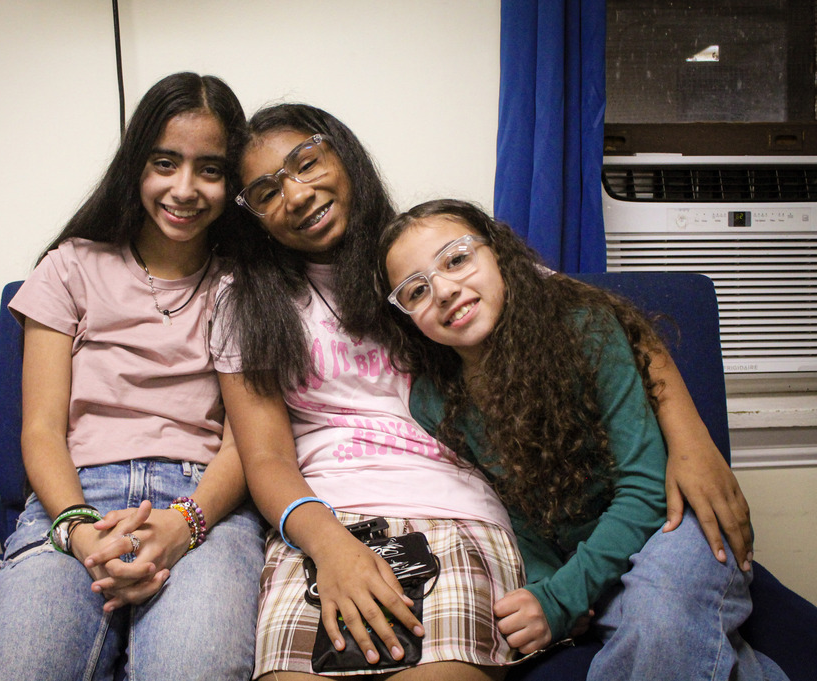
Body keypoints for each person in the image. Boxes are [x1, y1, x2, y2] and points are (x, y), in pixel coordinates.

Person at [212, 103, 752, 680]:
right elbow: (262, 454)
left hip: (458, 512)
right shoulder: (251, 301)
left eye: (306, 162)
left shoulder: (422, 247)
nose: (294, 194)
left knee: (663, 621)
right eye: (267, 192)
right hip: (332, 514)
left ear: (340, 152)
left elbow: (608, 318)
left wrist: (691, 437)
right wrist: (329, 544)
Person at [377, 198, 787, 680]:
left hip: (679, 528)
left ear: (498, 254)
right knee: (679, 642)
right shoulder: (434, 400)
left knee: (660, 622)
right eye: (416, 290)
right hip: (596, 571)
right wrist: (549, 585)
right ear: (405, 314)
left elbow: (647, 488)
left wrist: (562, 597)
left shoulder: (583, 327)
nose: (444, 290)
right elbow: (511, 514)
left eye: (457, 258)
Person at [0, 72, 265, 681]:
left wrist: (183, 525)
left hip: (202, 502)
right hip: (75, 502)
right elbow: (42, 431)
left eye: (209, 169)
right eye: (165, 162)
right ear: (136, 164)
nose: (184, 189)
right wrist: (80, 533)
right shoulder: (70, 266)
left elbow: (248, 443)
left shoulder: (245, 285)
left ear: (233, 181)